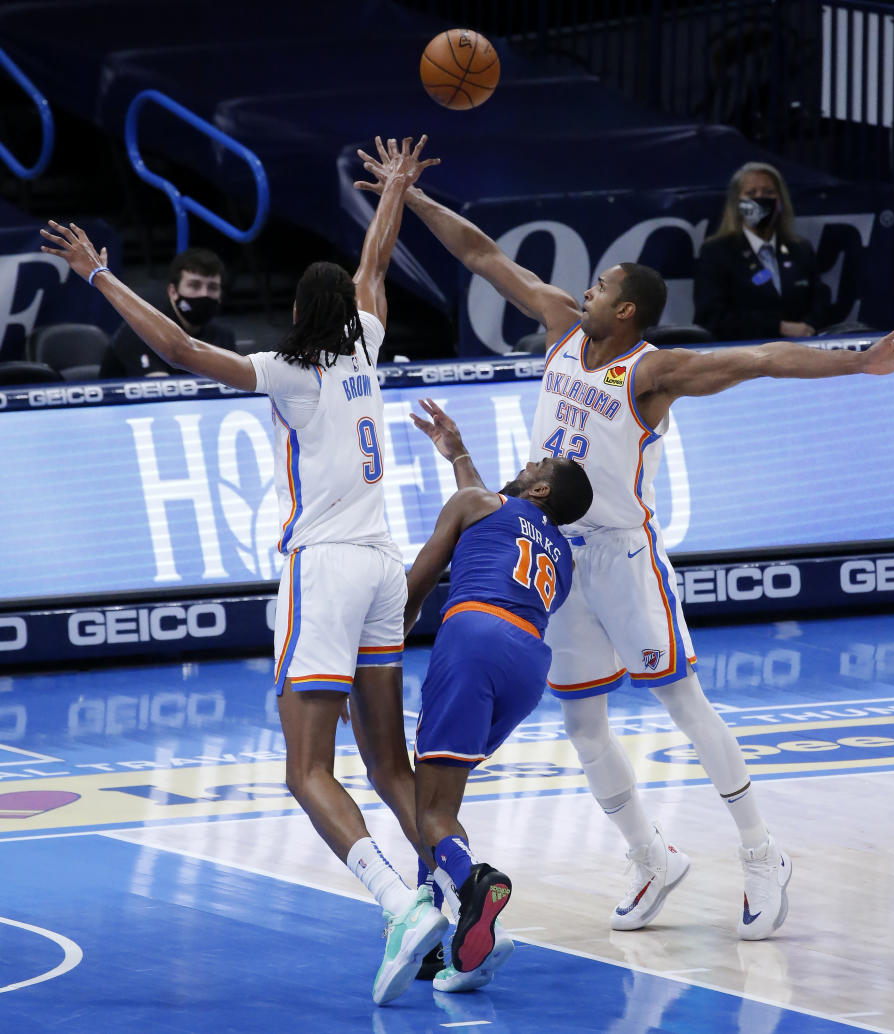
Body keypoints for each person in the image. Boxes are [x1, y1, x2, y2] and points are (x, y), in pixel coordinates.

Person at [354, 138, 894, 940]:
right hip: (555, 558)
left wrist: (857, 361)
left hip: (623, 558)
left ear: (625, 310)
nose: (583, 290)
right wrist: (407, 196)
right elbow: (482, 255)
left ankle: (763, 852)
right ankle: (649, 854)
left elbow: (759, 359)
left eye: (600, 287)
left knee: (682, 702)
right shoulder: (559, 329)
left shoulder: (652, 374)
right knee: (584, 724)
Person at [41, 135, 451, 1006]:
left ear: (296, 315)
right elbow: (374, 267)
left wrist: (99, 276)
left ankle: (398, 903)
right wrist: (395, 192)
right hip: (386, 566)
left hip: (328, 569)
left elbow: (185, 351)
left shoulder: (288, 371)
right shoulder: (370, 344)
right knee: (391, 763)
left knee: (307, 772)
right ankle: (455, 890)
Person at [404, 399, 592, 993]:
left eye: (539, 462)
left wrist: (373, 661)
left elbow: (414, 589)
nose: (530, 459)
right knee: (438, 798)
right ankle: (437, 942)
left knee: (427, 804)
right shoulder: (561, 559)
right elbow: (488, 511)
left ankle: (472, 882)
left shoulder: (478, 506)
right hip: (529, 662)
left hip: (474, 637)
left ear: (538, 489)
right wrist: (457, 453)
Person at [693, 161, 830, 342]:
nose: (760, 199)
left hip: (801, 353)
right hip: (743, 356)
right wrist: (778, 327)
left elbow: (819, 301)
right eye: (751, 193)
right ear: (737, 203)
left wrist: (809, 326)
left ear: (780, 202)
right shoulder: (717, 252)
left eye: (768, 193)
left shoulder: (800, 249)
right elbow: (711, 317)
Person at [98, 247, 237, 378]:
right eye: (194, 285)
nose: (204, 294)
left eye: (213, 288)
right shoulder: (141, 330)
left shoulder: (224, 336)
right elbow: (159, 395)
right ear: (173, 291)